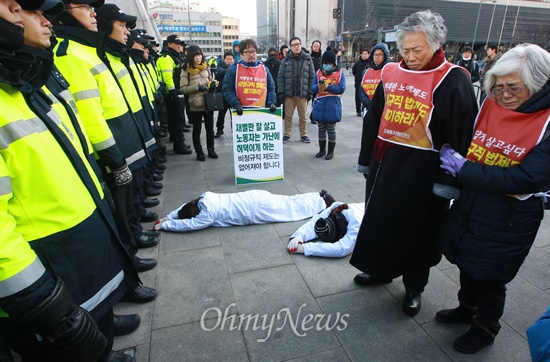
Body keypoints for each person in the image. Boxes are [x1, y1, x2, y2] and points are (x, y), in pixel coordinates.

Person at [0, 0, 139, 360]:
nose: (44, 21)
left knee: (96, 320)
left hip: (79, 227)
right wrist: (38, 299)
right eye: (17, 8)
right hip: (46, 256)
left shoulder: (26, 79)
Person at [350, 10, 478, 318]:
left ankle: (414, 287)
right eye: (404, 49)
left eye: (416, 50)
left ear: (436, 45)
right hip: (387, 161)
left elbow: (462, 135)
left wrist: (449, 182)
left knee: (419, 231)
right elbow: (375, 119)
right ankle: (380, 270)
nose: (409, 56)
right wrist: (367, 160)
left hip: (425, 169)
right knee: (381, 221)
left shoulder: (453, 78)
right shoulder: (391, 72)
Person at [435, 43, 550, 354]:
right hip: (473, 203)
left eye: (514, 87)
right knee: (467, 261)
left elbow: (529, 177)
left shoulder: (547, 120)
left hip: (511, 214)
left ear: (539, 83)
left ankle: (486, 327)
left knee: (489, 275)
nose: (505, 95)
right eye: (498, 87)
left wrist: (465, 170)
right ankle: (466, 307)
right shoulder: (490, 104)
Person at [153, 190, 335, 232]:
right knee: (286, 201)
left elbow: (190, 225)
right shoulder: (204, 197)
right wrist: (169, 216)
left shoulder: (207, 216)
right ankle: (318, 195)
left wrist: (166, 225)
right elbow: (186, 206)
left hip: (254, 209)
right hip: (254, 197)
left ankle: (321, 204)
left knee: (288, 209)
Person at [222, 39, 277, 119]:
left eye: (253, 51)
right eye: (247, 52)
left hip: (261, 112)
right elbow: (227, 89)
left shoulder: (264, 69)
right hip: (241, 113)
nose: (251, 55)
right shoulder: (234, 69)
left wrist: (271, 102)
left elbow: (271, 88)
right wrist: (235, 103)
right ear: (241, 54)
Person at [287, 202, 365, 258]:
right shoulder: (336, 208)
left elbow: (342, 248)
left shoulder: (357, 224)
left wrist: (305, 248)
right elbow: (315, 221)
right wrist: (299, 236)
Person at [180, 44, 217, 161]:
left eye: (199, 55)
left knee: (210, 129)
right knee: (197, 130)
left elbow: (211, 80)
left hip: (208, 102)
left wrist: (214, 85)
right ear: (191, 57)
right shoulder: (186, 69)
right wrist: (197, 87)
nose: (198, 58)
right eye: (195, 56)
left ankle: (211, 149)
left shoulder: (206, 67)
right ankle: (199, 152)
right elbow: (183, 88)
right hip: (195, 104)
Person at [156, 34, 192, 154]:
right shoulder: (167, 58)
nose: (179, 46)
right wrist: (172, 93)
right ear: (169, 44)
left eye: (179, 44)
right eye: (176, 44)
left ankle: (177, 141)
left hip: (175, 92)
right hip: (172, 93)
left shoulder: (173, 56)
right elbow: (167, 77)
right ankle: (179, 145)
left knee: (175, 119)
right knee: (178, 119)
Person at [278, 36, 315, 143]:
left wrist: (310, 92)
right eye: (294, 45)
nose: (297, 46)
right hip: (289, 94)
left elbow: (312, 77)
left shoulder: (308, 59)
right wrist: (281, 92)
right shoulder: (286, 60)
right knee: (288, 116)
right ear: (291, 47)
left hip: (302, 94)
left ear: (301, 45)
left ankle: (303, 134)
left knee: (303, 116)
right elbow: (281, 77)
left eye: (298, 44)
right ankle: (287, 134)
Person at [310, 49, 346, 160]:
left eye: (329, 64)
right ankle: (321, 150)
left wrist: (328, 87)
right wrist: (318, 87)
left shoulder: (340, 73)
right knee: (321, 129)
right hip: (320, 104)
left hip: (333, 104)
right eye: (325, 63)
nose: (327, 66)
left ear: (334, 64)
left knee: (331, 129)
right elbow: (312, 87)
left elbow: (341, 88)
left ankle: (330, 151)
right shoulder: (319, 73)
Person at [358, 43, 390, 116]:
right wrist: (367, 102)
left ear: (385, 56)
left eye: (380, 54)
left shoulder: (389, 71)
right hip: (367, 107)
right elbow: (361, 89)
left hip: (383, 109)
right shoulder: (366, 71)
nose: (377, 57)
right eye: (375, 54)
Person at [214, 50, 234, 138]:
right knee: (221, 114)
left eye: (231, 59)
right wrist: (231, 70)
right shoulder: (220, 67)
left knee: (234, 115)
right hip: (223, 95)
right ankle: (219, 130)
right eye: (227, 59)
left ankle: (235, 129)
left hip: (233, 96)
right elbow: (219, 73)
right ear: (224, 59)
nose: (229, 61)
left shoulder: (236, 67)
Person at [352, 48, 371, 117]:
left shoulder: (371, 63)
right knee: (358, 98)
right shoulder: (357, 63)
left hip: (367, 85)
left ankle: (365, 109)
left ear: (369, 55)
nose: (364, 55)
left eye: (366, 54)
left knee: (366, 97)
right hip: (358, 83)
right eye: (363, 54)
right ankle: (358, 110)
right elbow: (354, 71)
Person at [309, 40, 322, 125]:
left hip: (320, 81)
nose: (316, 48)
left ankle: (314, 116)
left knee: (317, 99)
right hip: (311, 82)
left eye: (317, 46)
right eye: (315, 46)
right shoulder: (309, 58)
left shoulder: (322, 58)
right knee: (311, 99)